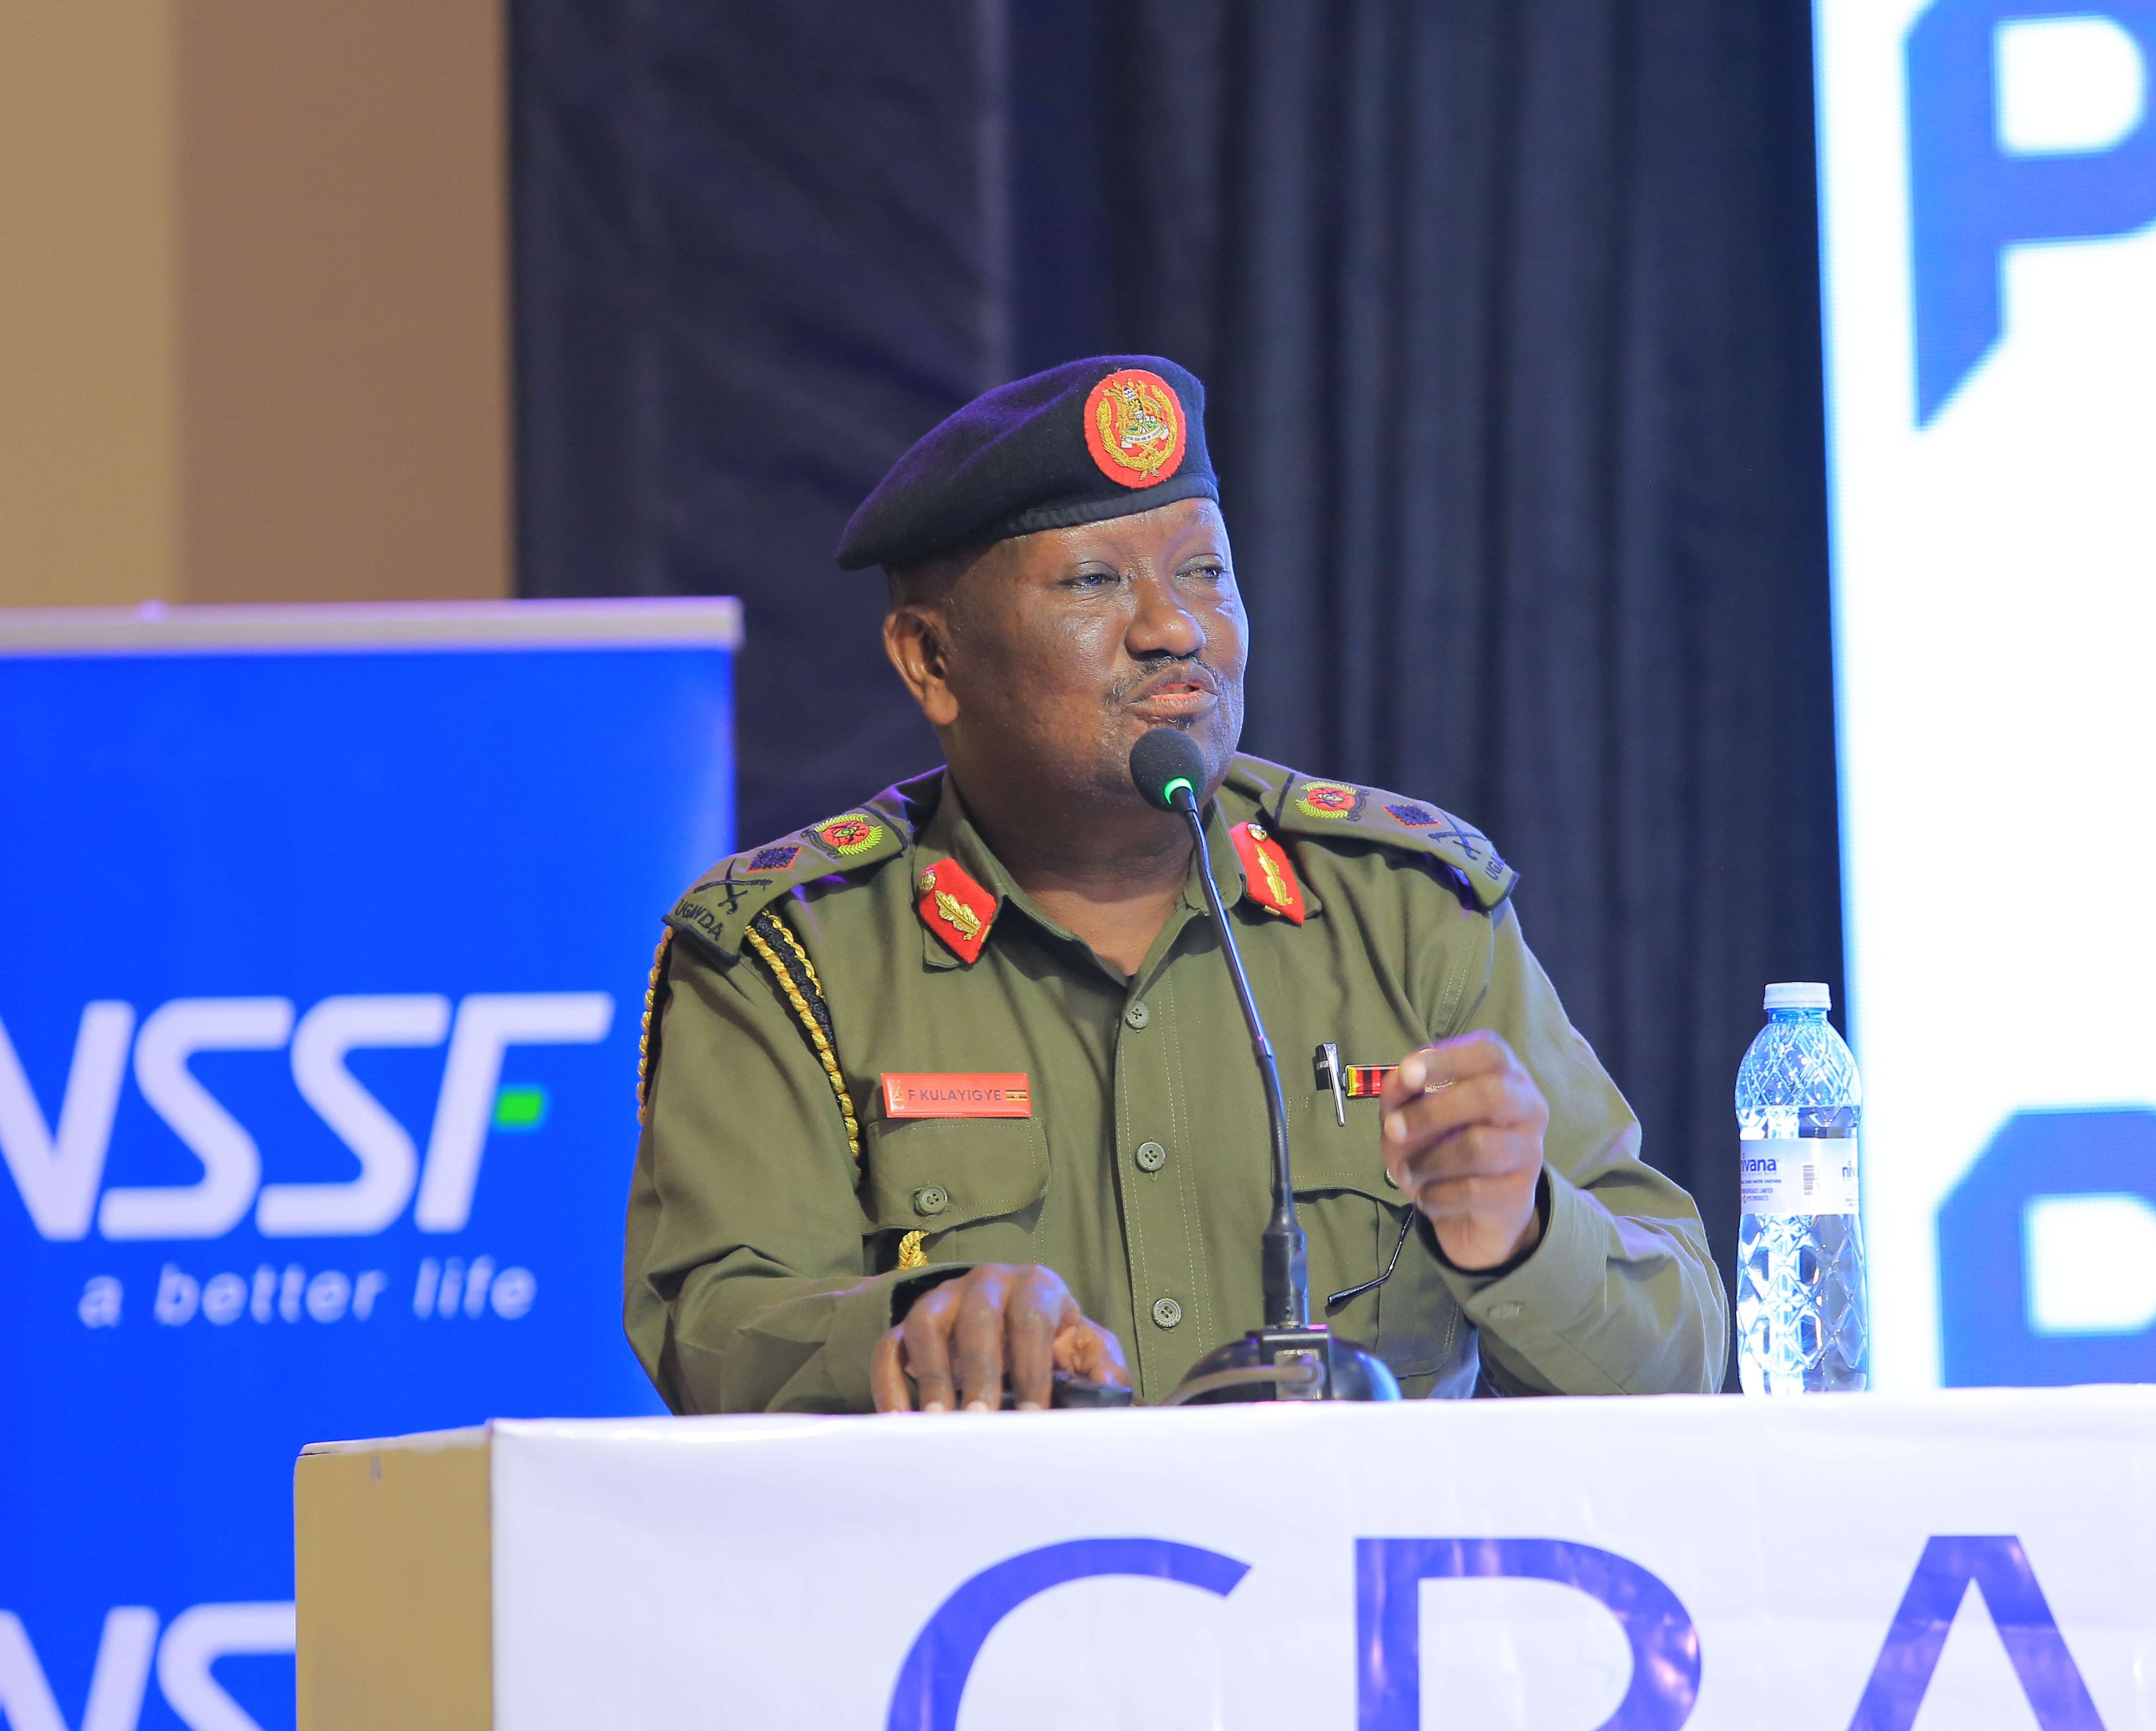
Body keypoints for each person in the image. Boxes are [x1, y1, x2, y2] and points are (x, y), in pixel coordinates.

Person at [624, 356, 1725, 1410]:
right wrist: (917, 1329)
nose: (1176, 629)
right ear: (932, 661)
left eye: (1205, 572)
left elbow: (1681, 1352)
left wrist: (1523, 1232)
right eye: (1097, 582)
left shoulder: (1409, 909)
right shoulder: (789, 954)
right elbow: (718, 1333)